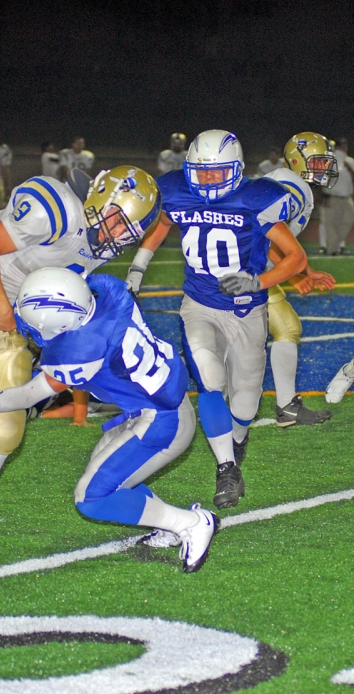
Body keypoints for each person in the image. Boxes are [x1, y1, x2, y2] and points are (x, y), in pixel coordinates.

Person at [0, 166, 162, 562]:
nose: (117, 235)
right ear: (98, 199)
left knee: (6, 432)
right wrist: (4, 310)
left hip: (13, 332)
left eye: (128, 231)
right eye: (116, 221)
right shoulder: (55, 210)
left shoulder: (99, 240)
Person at [0, 269, 219, 573]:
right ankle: (169, 523)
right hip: (152, 403)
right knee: (112, 474)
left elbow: (24, 397)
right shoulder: (108, 292)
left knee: (91, 498)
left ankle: (191, 523)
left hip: (161, 420)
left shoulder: (81, 350)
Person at [125, 129, 307, 510]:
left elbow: (295, 258)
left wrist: (258, 280)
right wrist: (138, 268)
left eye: (216, 173)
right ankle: (226, 468)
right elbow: (162, 224)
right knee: (209, 381)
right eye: (201, 173)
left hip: (246, 310)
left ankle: (237, 439)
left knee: (244, 405)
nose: (207, 180)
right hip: (199, 304)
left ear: (237, 170)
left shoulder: (256, 197)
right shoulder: (175, 190)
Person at [266, 132, 338, 426]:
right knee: (285, 328)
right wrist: (293, 276)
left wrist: (304, 272)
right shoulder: (291, 185)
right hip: (245, 268)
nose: (324, 168)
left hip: (241, 265)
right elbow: (263, 234)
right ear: (297, 160)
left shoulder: (289, 182)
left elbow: (280, 241)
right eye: (318, 162)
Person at [321, 137, 354, 255]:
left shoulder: (350, 161)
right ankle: (333, 249)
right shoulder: (330, 160)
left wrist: (350, 170)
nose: (344, 148)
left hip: (347, 198)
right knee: (330, 224)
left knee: (349, 220)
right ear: (337, 147)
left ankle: (334, 245)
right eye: (341, 146)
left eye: (345, 146)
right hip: (332, 196)